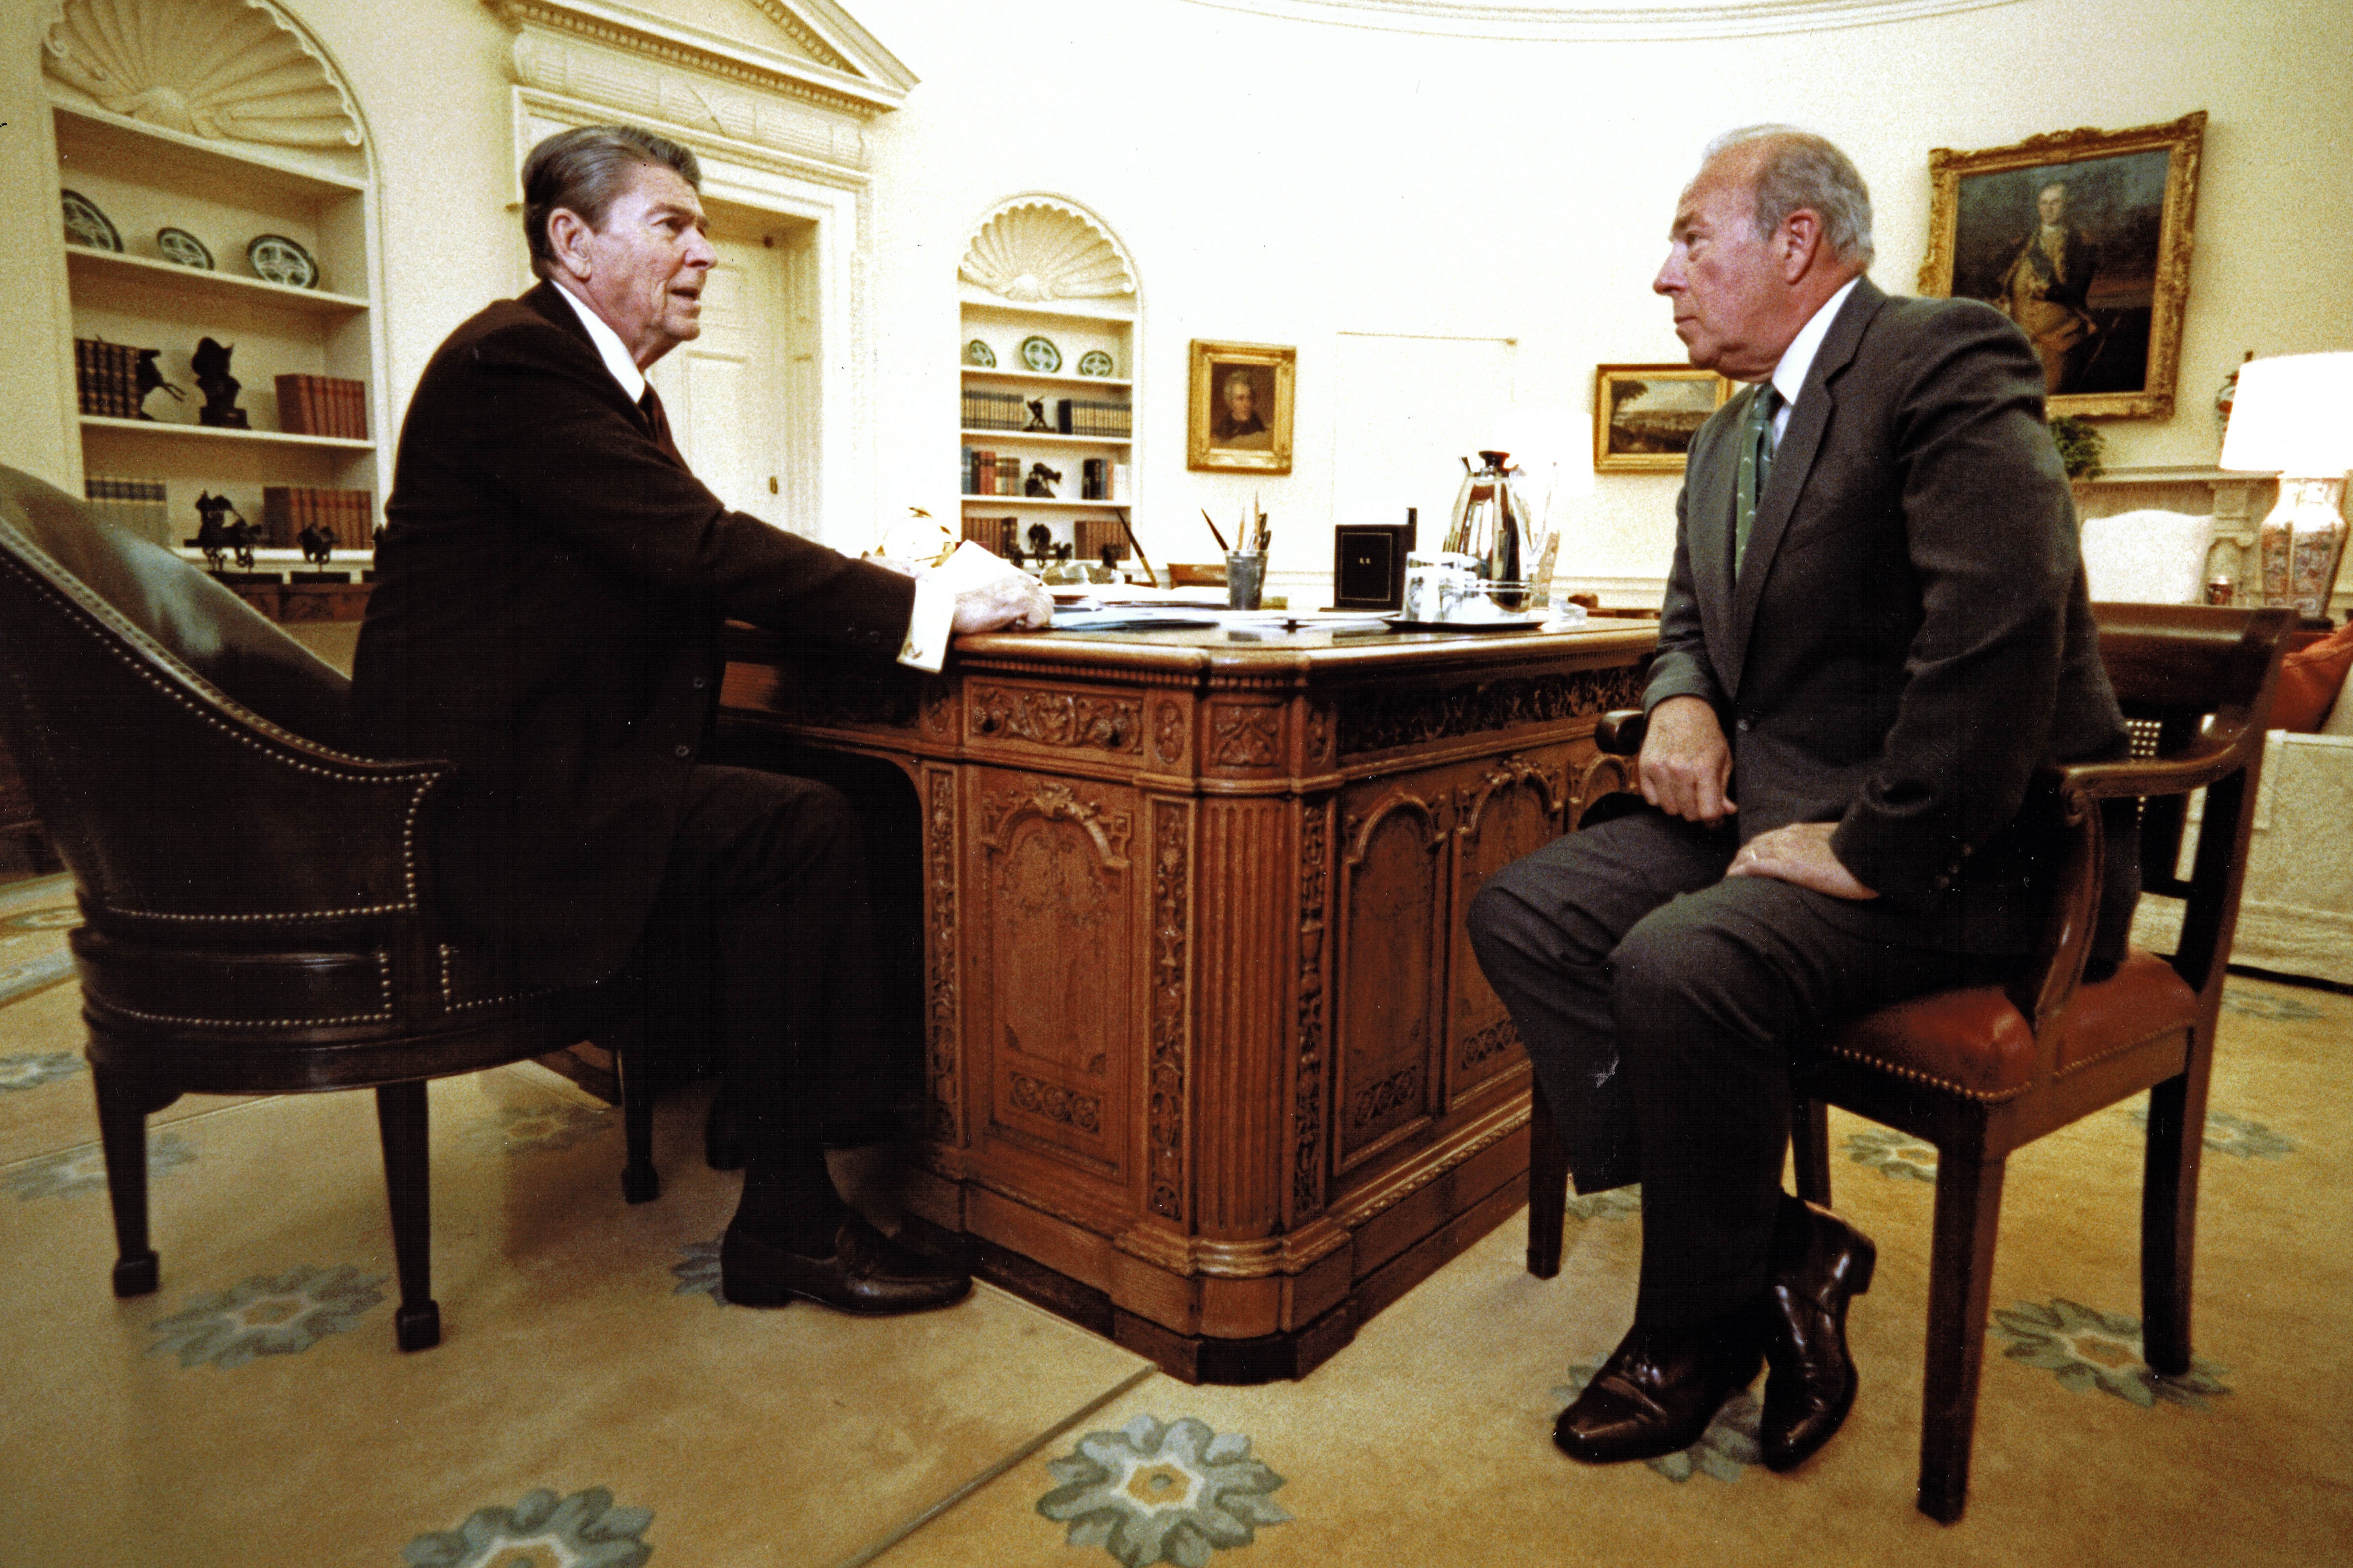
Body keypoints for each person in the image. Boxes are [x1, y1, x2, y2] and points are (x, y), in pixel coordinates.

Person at [1467, 126, 2138, 1474]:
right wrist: (1679, 699)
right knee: (1524, 911)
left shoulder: (1940, 357)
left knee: (1679, 962)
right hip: (1764, 810)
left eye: (1687, 237)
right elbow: (1683, 624)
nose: (1661, 274)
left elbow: (1991, 634)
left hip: (1971, 845)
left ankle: (1689, 1328)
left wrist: (1874, 848)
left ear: (1791, 242)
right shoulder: (1726, 438)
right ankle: (1785, 1247)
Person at [351, 124, 1052, 1318]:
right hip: (490, 809)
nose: (706, 253)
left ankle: (788, 1099)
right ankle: (785, 1222)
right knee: (794, 830)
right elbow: (703, 549)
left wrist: (893, 600)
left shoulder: (598, 387)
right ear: (571, 241)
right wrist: (934, 602)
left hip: (555, 762)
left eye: (704, 228)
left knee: (854, 793)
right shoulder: (514, 365)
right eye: (671, 224)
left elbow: (682, 551)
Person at [1991, 180, 2100, 395]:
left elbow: (2078, 291)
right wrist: (2000, 300)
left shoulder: (2081, 244)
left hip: (2058, 343)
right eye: (2043, 203)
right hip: (2020, 344)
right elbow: (1986, 276)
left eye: (2055, 202)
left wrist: (2049, 291)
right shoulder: (2023, 242)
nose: (2048, 209)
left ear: (2067, 205)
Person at [1211, 368, 1270, 446]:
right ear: (1231, 401)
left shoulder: (1258, 425)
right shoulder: (1223, 430)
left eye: (1249, 398)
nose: (1246, 404)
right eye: (1240, 398)